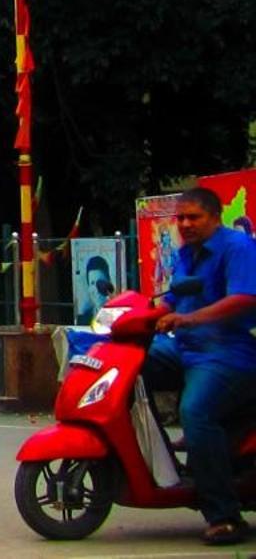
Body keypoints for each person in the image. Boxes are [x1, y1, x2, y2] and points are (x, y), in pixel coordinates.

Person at [145, 187, 256, 547]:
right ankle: (159, 457)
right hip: (188, 349)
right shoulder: (185, 254)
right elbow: (172, 299)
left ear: (215, 216)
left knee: (196, 412)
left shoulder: (236, 248)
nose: (186, 224)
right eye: (181, 218)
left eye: (194, 217)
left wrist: (188, 319)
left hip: (229, 354)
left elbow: (243, 298)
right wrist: (134, 313)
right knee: (132, 366)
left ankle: (224, 515)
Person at [76, 254, 116, 326]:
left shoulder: (116, 313)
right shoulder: (83, 318)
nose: (96, 290)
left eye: (100, 282)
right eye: (92, 283)